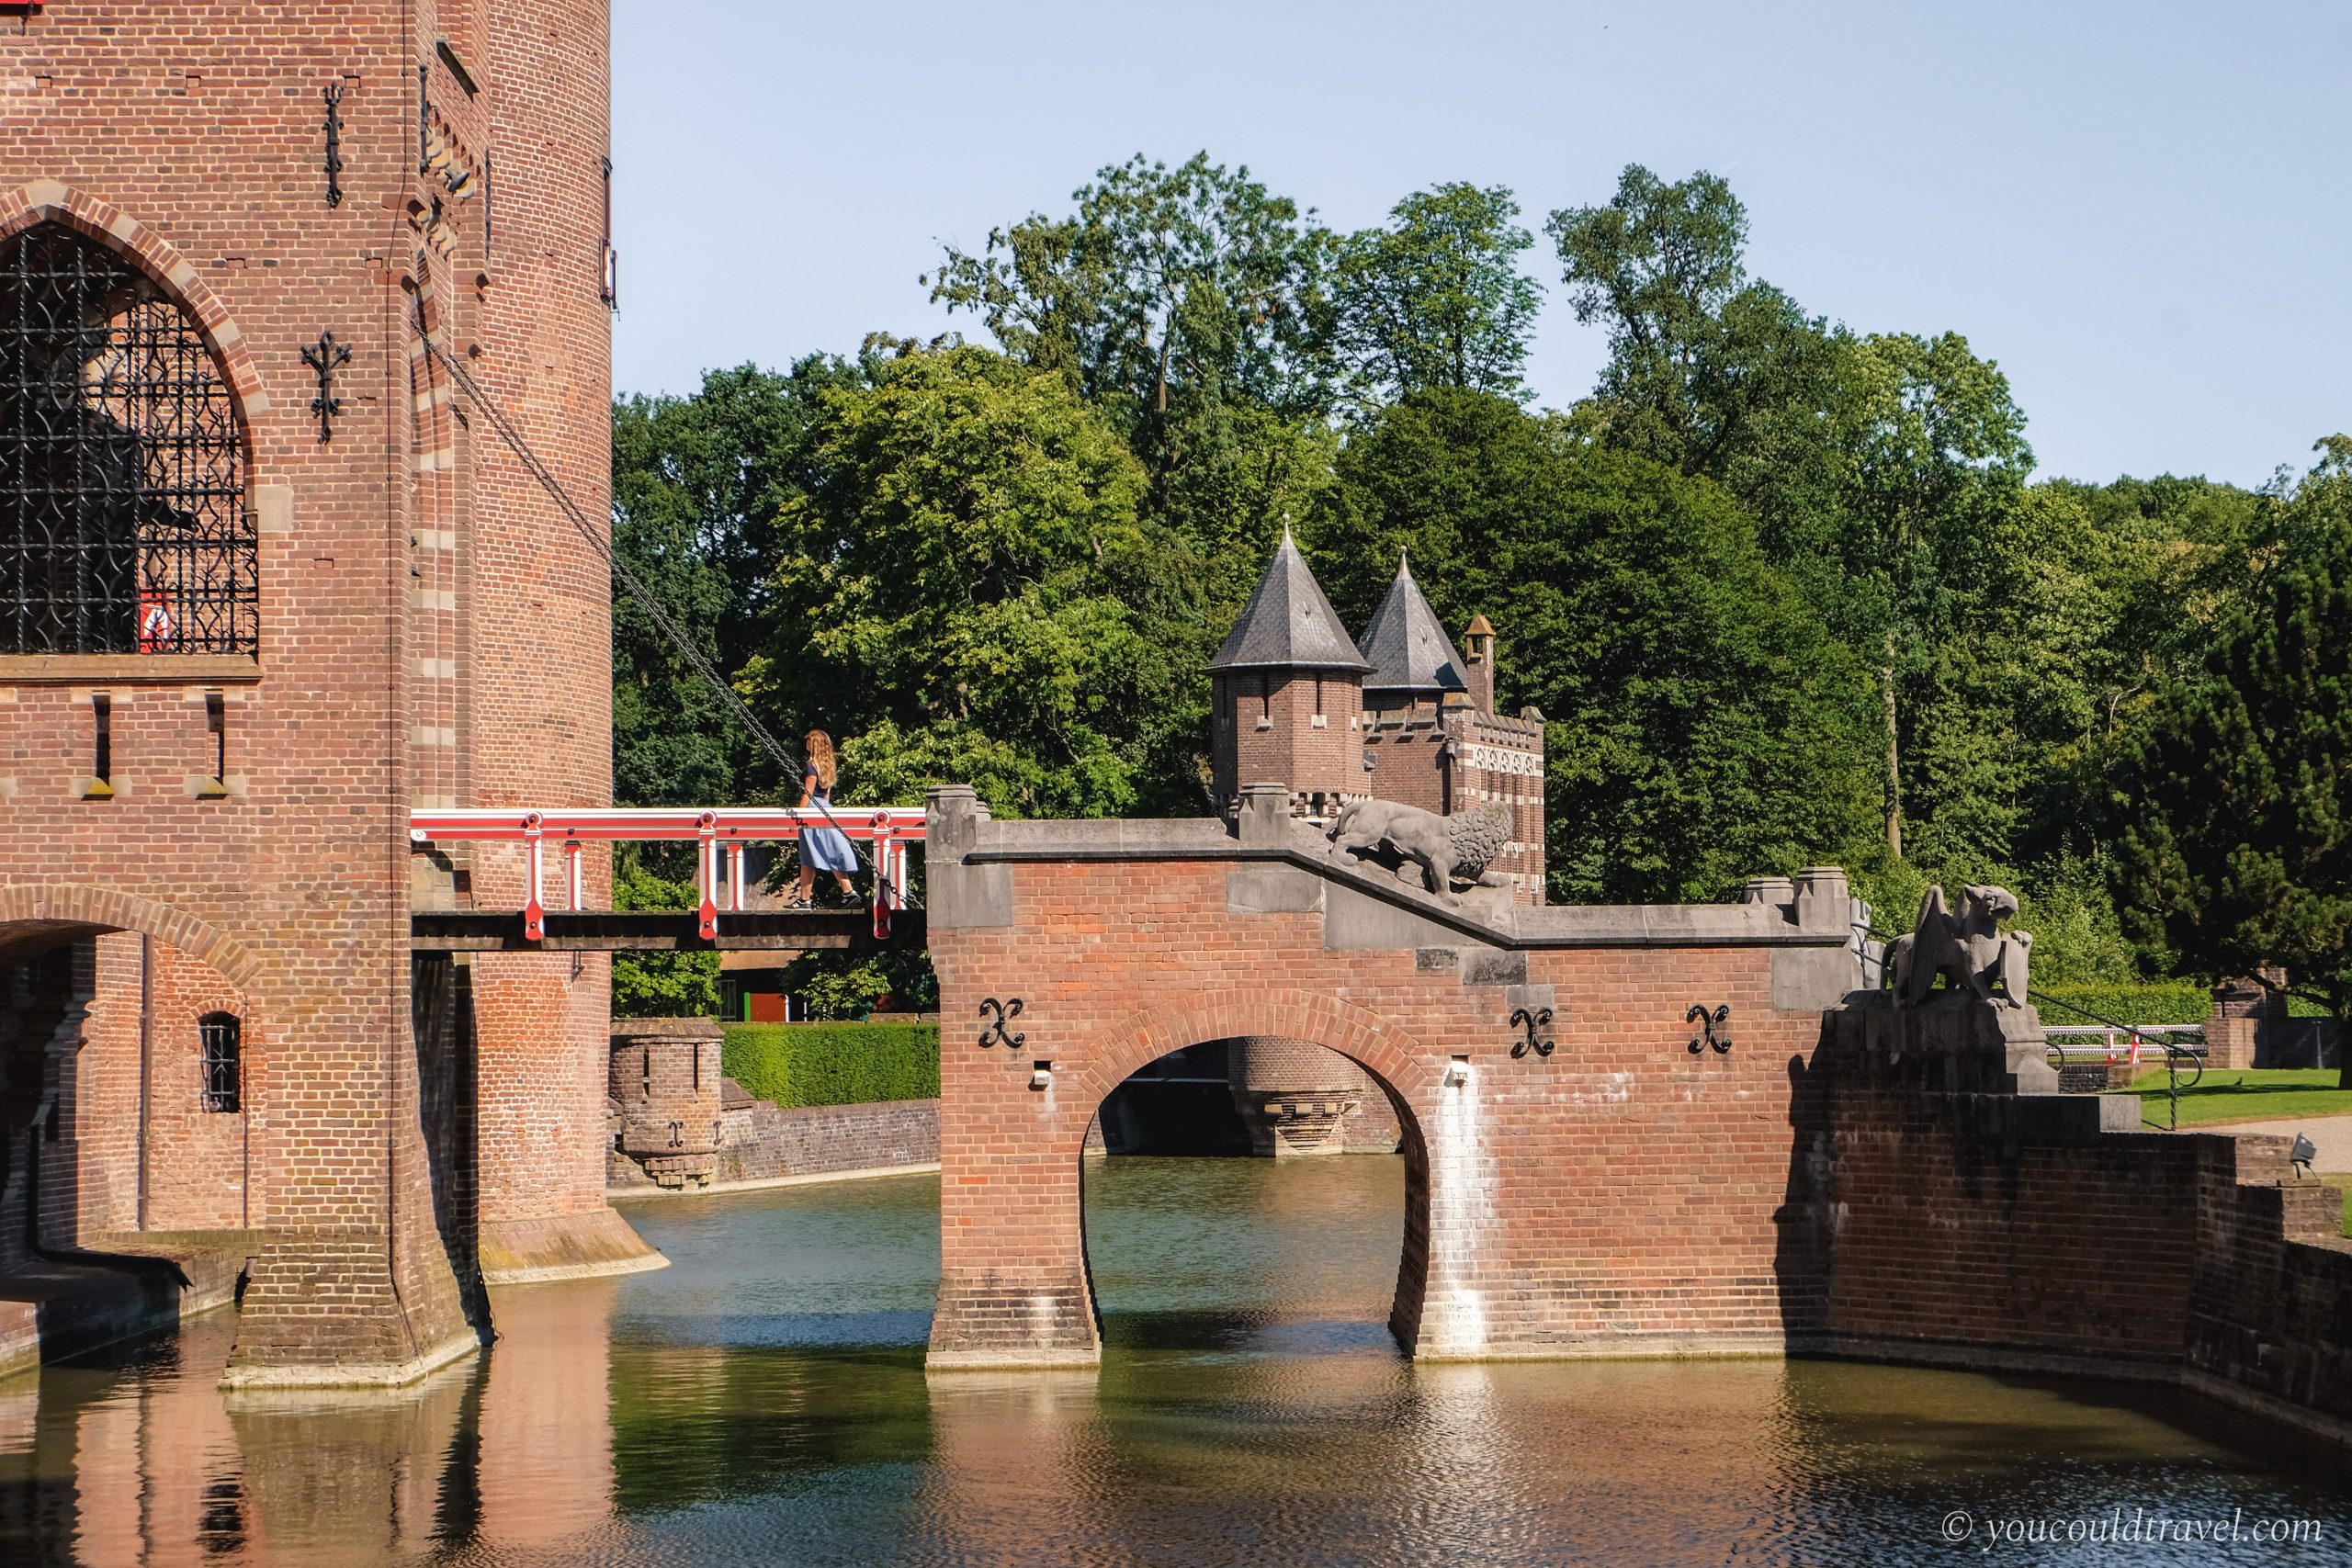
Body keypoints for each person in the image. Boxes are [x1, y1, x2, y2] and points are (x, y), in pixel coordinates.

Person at [790, 729, 859, 907]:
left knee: (809, 855)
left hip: (812, 808)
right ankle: (843, 892)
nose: (805, 744)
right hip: (825, 808)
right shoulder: (827, 765)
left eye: (808, 741)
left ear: (813, 744)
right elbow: (826, 795)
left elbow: (808, 792)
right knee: (825, 850)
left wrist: (798, 815)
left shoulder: (811, 766)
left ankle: (808, 900)